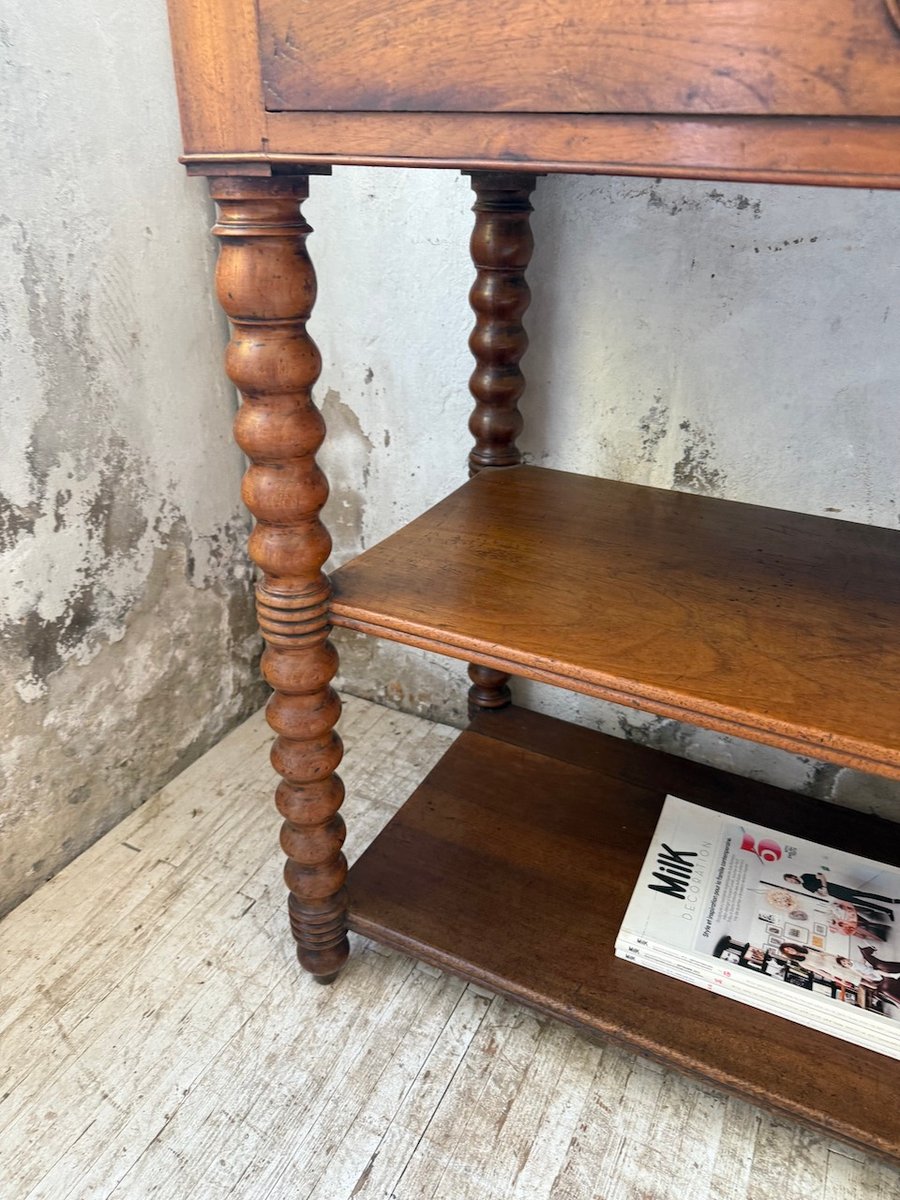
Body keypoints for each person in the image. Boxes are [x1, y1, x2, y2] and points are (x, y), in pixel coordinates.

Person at [783, 872, 899, 921]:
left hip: (835, 888)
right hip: (834, 894)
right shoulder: (804, 886)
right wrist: (822, 894)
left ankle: (892, 900)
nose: (792, 882)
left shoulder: (805, 876)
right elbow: (818, 893)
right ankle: (887, 911)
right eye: (790, 882)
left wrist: (824, 887)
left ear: (793, 877)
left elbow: (821, 876)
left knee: (865, 895)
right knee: (862, 903)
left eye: (790, 880)